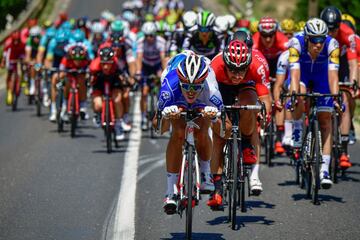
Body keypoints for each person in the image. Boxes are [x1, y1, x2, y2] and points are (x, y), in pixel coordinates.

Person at [155, 52, 223, 214]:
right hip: (176, 97)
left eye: (195, 87)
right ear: (180, 81)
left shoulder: (210, 89)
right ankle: (170, 189)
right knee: (178, 132)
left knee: (203, 127)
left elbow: (223, 129)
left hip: (203, 99)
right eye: (186, 86)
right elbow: (159, 128)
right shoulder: (169, 87)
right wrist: (165, 116)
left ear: (203, 83)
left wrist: (214, 117)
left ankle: (206, 172)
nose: (191, 91)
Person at [208, 39, 272, 209]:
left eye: (241, 70)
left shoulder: (255, 66)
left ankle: (245, 144)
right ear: (226, 64)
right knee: (220, 136)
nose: (237, 75)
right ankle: (217, 189)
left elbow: (265, 96)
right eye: (233, 71)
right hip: (220, 88)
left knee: (249, 106)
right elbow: (208, 97)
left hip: (247, 87)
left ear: (248, 65)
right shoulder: (215, 67)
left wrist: (266, 114)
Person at [288, 18, 340, 189]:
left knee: (325, 120)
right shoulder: (296, 42)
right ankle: (296, 131)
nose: (319, 44)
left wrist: (335, 96)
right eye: (315, 39)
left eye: (322, 39)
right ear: (307, 37)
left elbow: (333, 76)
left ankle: (324, 170)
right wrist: (295, 94)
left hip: (322, 78)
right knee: (298, 95)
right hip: (302, 76)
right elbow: (294, 73)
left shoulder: (333, 45)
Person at [320, 6, 358, 169]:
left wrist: (353, 82)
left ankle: (343, 149)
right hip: (324, 64)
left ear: (339, 26)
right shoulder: (319, 34)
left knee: (344, 98)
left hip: (341, 65)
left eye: (334, 29)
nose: (331, 33)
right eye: (328, 29)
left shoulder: (348, 35)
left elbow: (353, 63)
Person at [90, 46, 128, 141]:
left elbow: (124, 76)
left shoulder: (117, 63)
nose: (106, 66)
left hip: (113, 81)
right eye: (103, 64)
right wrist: (89, 80)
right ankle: (97, 115)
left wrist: (126, 82)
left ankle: (119, 124)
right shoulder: (94, 65)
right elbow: (89, 78)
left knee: (117, 99)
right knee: (98, 104)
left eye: (108, 63)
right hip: (99, 82)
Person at [136, 21, 167, 130]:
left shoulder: (161, 41)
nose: (149, 38)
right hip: (146, 66)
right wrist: (138, 72)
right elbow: (139, 58)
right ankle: (144, 117)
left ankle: (160, 115)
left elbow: (163, 58)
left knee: (161, 92)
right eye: (146, 36)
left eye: (151, 35)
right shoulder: (140, 42)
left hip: (157, 65)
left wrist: (164, 72)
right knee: (144, 92)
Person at [58, 43, 91, 121]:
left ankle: (82, 105)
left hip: (80, 75)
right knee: (66, 81)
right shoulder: (66, 58)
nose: (77, 61)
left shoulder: (86, 59)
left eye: (79, 59)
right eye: (75, 59)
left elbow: (90, 69)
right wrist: (62, 74)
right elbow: (61, 70)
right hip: (69, 75)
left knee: (82, 80)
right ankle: (65, 104)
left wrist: (88, 74)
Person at [1, 31, 25, 105]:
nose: (16, 37)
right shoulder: (9, 44)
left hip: (18, 62)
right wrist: (3, 61)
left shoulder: (22, 44)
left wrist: (23, 60)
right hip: (10, 61)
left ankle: (18, 88)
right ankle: (9, 91)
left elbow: (23, 54)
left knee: (19, 75)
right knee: (9, 75)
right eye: (15, 35)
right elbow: (5, 53)